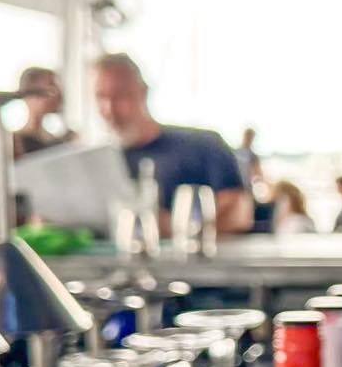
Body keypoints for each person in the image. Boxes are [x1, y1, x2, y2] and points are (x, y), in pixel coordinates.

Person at [92, 53, 253, 235]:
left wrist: (176, 228)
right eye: (101, 97)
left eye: (120, 96)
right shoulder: (96, 163)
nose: (109, 109)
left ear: (143, 92)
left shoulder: (203, 146)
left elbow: (239, 213)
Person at [13, 66, 76, 158]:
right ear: (31, 94)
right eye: (51, 89)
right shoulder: (16, 142)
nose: (58, 95)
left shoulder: (63, 139)